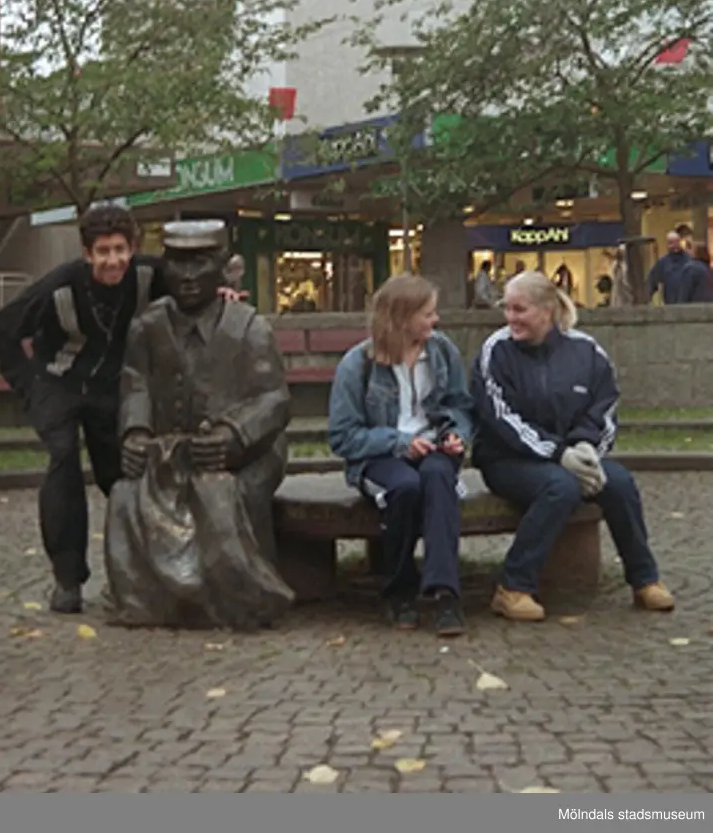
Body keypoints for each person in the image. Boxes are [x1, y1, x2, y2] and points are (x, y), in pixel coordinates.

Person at [106, 220, 293, 630]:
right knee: (125, 495)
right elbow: (136, 386)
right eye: (178, 263)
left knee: (226, 491)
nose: (188, 276)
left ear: (223, 267)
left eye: (200, 263)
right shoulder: (147, 326)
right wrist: (136, 432)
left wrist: (233, 434)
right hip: (172, 450)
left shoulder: (249, 328)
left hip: (250, 452)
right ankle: (151, 599)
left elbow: (273, 398)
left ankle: (241, 596)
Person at [470, 270, 674, 622]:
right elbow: (501, 419)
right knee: (559, 488)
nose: (510, 318)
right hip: (507, 459)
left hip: (571, 453)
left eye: (520, 309)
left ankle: (645, 579)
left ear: (546, 311)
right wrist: (557, 452)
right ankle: (513, 586)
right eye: (507, 308)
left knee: (620, 483)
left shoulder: (587, 351)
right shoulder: (495, 352)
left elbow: (604, 408)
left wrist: (587, 450)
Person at [0, 204, 167, 614]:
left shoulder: (148, 274)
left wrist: (224, 292)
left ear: (132, 248)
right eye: (103, 251)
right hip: (58, 383)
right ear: (87, 253)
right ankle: (68, 578)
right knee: (63, 458)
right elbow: (5, 326)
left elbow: (193, 284)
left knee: (120, 472)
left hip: (110, 388)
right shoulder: (58, 288)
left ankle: (139, 567)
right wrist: (29, 388)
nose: (113, 261)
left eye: (120, 250)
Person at [328, 273, 475, 637]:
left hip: (434, 448)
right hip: (380, 455)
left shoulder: (442, 352)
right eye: (428, 313)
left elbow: (460, 405)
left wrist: (456, 434)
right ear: (402, 317)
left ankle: (445, 593)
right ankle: (399, 591)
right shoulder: (357, 364)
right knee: (406, 488)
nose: (436, 320)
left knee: (439, 478)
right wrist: (399, 442)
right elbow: (343, 436)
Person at [647, 230, 690, 305]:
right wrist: (647, 298)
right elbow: (652, 281)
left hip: (688, 304)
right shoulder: (663, 262)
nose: (674, 245)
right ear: (667, 244)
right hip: (671, 304)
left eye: (676, 241)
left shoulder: (689, 260)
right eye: (671, 243)